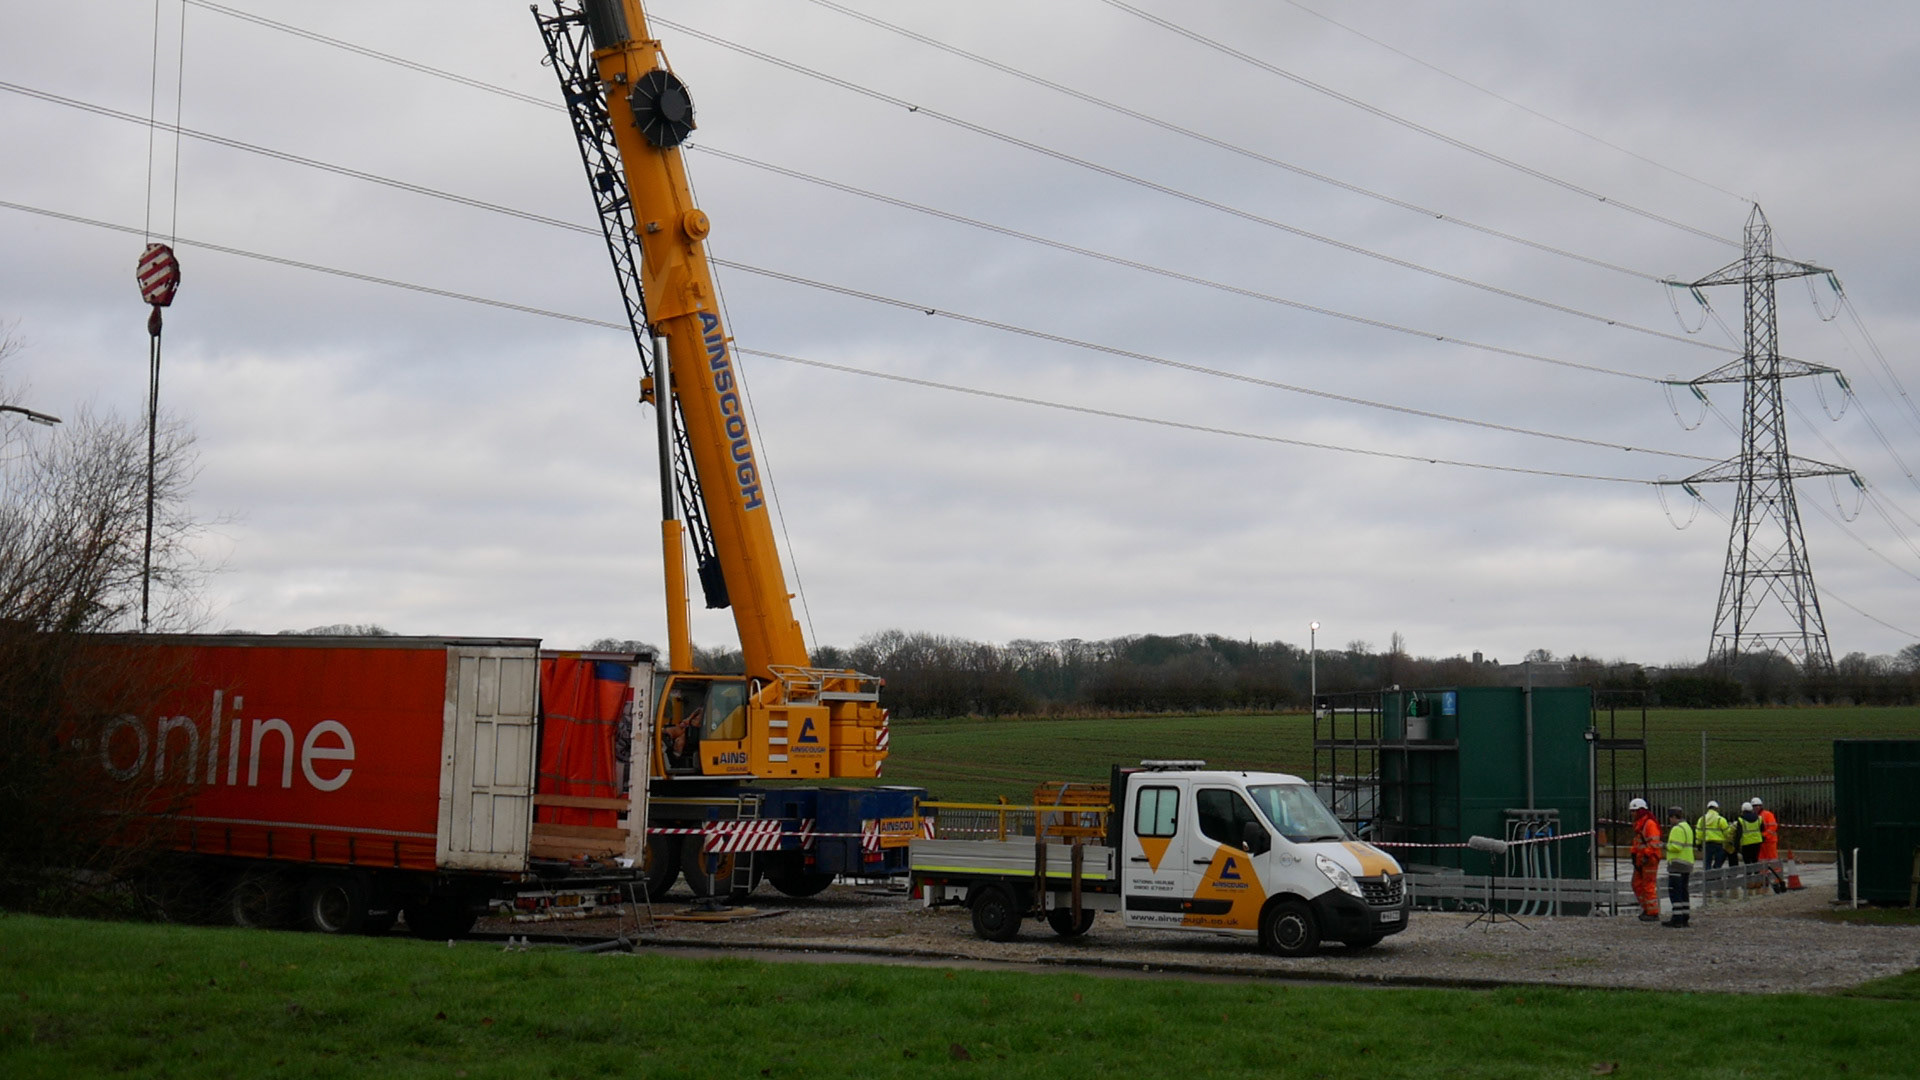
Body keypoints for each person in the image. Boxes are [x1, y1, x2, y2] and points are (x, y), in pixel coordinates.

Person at [1628, 797, 1662, 922]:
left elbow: (1654, 843)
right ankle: (1647, 908)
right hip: (1642, 859)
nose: (1632, 814)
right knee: (1637, 884)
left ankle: (1652, 912)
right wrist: (1634, 855)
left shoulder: (1649, 824)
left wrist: (1645, 857)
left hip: (1649, 859)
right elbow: (1637, 843)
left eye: (1634, 811)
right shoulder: (1640, 824)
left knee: (1648, 885)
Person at [1663, 806, 1695, 927]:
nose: (1670, 820)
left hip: (1677, 864)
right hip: (1687, 863)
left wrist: (1665, 846)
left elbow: (1676, 847)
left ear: (1674, 817)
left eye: (1670, 818)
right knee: (1684, 891)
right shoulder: (1687, 827)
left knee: (1675, 892)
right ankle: (1685, 917)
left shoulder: (1677, 829)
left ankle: (1677, 919)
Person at [1696, 800, 1730, 872]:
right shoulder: (1720, 819)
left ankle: (1708, 878)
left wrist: (1698, 843)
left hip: (1707, 844)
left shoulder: (1702, 819)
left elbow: (1699, 832)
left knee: (1707, 862)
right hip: (1719, 844)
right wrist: (1728, 841)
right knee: (1718, 862)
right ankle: (1716, 876)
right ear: (1716, 808)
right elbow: (1727, 832)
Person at [1753, 797, 1780, 862]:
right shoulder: (1754, 816)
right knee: (1762, 858)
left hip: (1770, 841)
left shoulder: (1767, 814)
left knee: (1772, 857)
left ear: (1761, 806)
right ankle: (1763, 871)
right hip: (1761, 840)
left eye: (1758, 805)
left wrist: (1764, 835)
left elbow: (1773, 827)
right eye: (1754, 806)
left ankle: (1776, 870)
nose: (1756, 807)